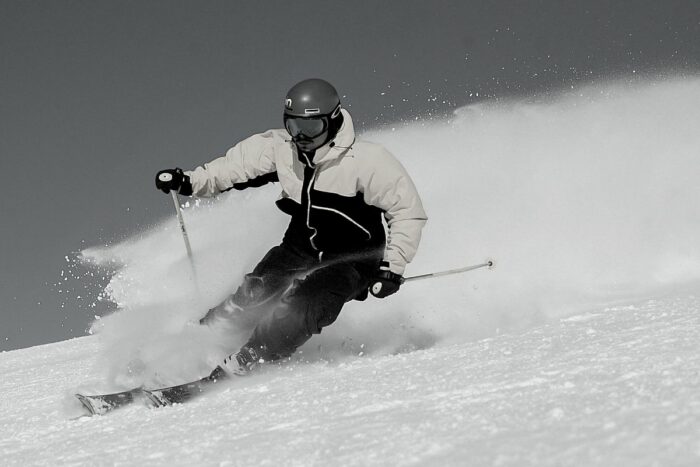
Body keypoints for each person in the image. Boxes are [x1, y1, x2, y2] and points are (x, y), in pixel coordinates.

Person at [155, 78, 427, 377]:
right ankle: (194, 346)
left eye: (311, 128)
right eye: (294, 126)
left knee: (305, 305)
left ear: (333, 120)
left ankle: (250, 359)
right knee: (254, 293)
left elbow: (407, 211)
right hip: (300, 247)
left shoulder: (367, 161)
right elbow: (235, 167)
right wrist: (191, 181)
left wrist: (392, 268)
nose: (301, 137)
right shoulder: (282, 149)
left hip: (354, 258)